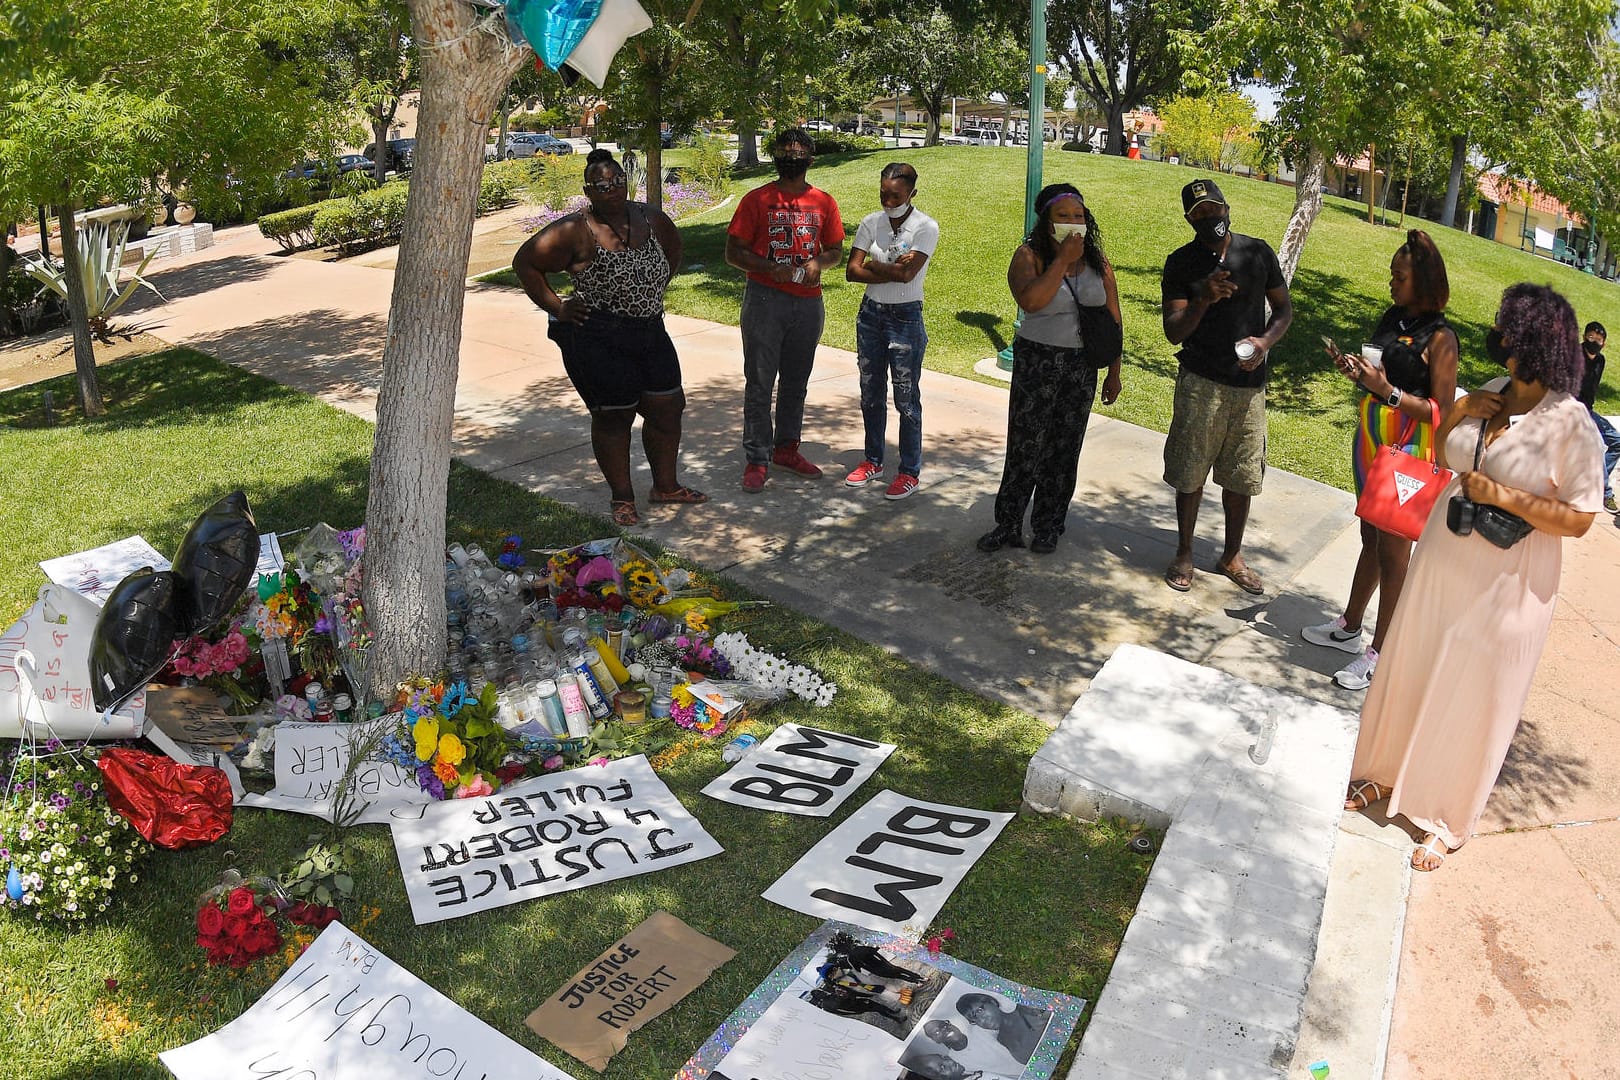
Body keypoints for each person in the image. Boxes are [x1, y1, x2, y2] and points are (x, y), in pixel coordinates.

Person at [1343, 284, 1604, 872]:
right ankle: (1382, 775)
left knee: (1474, 690)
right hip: (1444, 552)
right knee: (1414, 658)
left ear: (1533, 343)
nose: (1497, 337)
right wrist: (1461, 411)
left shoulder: (1572, 424)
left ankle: (1443, 814)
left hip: (1508, 576)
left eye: (1507, 330)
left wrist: (1504, 495)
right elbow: (1444, 453)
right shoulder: (1491, 391)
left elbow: (1583, 518)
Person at [512, 148, 707, 526]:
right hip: (600, 338)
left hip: (651, 331)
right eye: (601, 185)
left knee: (668, 408)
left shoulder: (651, 219)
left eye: (616, 181)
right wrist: (558, 307)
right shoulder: (574, 230)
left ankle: (665, 486)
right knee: (614, 418)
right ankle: (622, 498)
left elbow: (674, 252)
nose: (611, 189)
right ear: (588, 191)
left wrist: (652, 289)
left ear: (626, 181)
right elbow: (526, 262)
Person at [1303, 231, 1459, 691]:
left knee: (1394, 554)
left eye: (1400, 276)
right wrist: (1361, 373)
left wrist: (1387, 391)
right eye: (1392, 274)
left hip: (1409, 450)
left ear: (1423, 282)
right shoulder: (1394, 317)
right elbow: (1383, 373)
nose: (1392, 282)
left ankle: (1381, 654)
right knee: (1369, 534)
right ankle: (1350, 626)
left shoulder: (1443, 338)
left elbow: (1442, 411)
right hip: (1371, 441)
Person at [1159, 178, 1292, 593]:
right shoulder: (1181, 263)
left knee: (1242, 475)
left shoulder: (1256, 252)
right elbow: (1173, 332)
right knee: (1190, 470)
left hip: (1249, 387)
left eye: (1213, 209)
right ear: (1189, 219)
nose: (1208, 217)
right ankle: (1184, 552)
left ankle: (1232, 554)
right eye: (1199, 213)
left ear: (1226, 207)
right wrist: (1203, 298)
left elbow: (1284, 310)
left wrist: (1264, 343)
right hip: (1200, 381)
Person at [976, 183, 1122, 555]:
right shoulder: (1029, 257)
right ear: (1046, 222)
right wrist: (1061, 260)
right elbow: (1032, 301)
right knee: (1026, 446)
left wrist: (1114, 371)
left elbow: (1113, 319)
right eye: (1063, 216)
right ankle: (1007, 523)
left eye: (1079, 216)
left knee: (1064, 449)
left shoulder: (1098, 263)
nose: (1074, 223)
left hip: (1081, 365)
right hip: (1038, 361)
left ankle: (1048, 525)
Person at [725, 127, 846, 493]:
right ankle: (757, 458)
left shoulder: (824, 202)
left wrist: (817, 265)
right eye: (785, 150)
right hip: (765, 300)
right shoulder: (757, 200)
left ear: (811, 159)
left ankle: (787, 448)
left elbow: (836, 251)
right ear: (776, 157)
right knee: (760, 382)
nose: (791, 156)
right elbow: (733, 253)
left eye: (798, 151)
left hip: (808, 304)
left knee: (796, 382)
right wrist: (767, 267)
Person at [843, 162, 940, 500]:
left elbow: (907, 276)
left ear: (912, 192)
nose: (888, 200)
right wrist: (889, 268)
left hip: (905, 317)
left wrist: (876, 267)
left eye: (896, 195)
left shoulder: (925, 227)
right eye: (884, 193)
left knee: (906, 398)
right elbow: (852, 272)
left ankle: (909, 470)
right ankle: (873, 460)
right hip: (870, 315)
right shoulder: (871, 222)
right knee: (870, 391)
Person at [1576, 321, 1620, 513]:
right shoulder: (1573, 357)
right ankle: (1604, 493)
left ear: (1604, 343)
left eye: (1598, 339)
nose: (1594, 342)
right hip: (1573, 411)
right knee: (1595, 443)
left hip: (1588, 411)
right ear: (1584, 337)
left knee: (1617, 440)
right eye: (1591, 337)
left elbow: (1591, 391)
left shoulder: (1600, 361)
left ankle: (1595, 483)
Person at [953, 992, 1047, 1064]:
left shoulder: (1027, 1010)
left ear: (992, 1002)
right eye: (974, 1018)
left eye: (980, 1010)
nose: (981, 1019)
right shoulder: (1000, 1043)